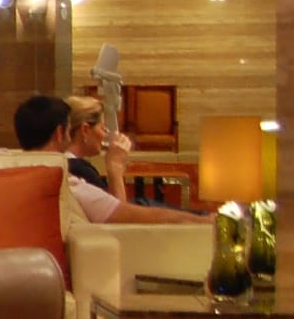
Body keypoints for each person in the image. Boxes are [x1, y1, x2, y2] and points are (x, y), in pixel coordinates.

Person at [13, 95, 203, 225]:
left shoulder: (11, 173)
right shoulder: (66, 182)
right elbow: (122, 220)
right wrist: (115, 167)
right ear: (60, 133)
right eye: (69, 131)